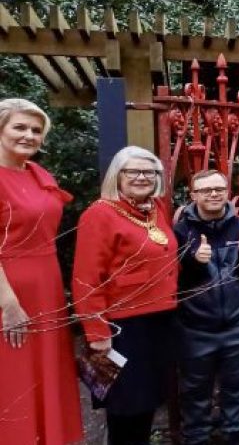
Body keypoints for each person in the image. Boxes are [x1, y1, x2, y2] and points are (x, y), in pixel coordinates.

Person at [71, 146, 180, 445]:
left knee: (147, 404)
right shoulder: (100, 214)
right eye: (133, 171)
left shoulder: (155, 208)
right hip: (124, 327)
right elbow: (86, 279)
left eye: (149, 171)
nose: (142, 177)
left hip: (158, 321)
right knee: (126, 408)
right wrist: (96, 331)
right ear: (117, 176)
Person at [0, 99, 83, 445]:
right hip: (10, 289)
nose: (29, 135)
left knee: (47, 368)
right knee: (14, 374)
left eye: (36, 130)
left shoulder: (38, 174)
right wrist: (7, 303)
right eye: (19, 127)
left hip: (46, 284)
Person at [172, 170, 239, 445]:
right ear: (193, 195)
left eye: (219, 189)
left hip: (238, 324)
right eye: (206, 190)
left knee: (237, 389)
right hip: (195, 327)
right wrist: (194, 262)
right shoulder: (180, 232)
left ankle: (235, 437)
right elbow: (174, 282)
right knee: (195, 393)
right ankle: (197, 439)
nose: (213, 194)